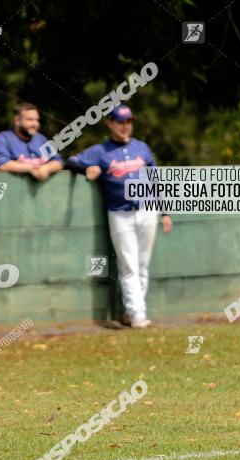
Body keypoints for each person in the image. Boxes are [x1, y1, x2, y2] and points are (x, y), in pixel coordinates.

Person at [65, 104, 172, 328]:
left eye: (128, 122)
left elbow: (155, 179)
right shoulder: (100, 151)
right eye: (120, 122)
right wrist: (86, 170)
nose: (125, 126)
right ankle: (137, 316)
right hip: (120, 213)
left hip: (147, 209)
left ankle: (135, 311)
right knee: (129, 266)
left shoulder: (141, 148)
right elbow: (71, 161)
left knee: (142, 265)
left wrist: (165, 211)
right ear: (110, 123)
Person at [0, 102, 63, 181]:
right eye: (30, 119)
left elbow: (58, 161)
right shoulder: (3, 138)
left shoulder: (41, 139)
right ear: (17, 120)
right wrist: (31, 168)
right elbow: (2, 164)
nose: (35, 124)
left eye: (37, 120)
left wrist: (46, 168)